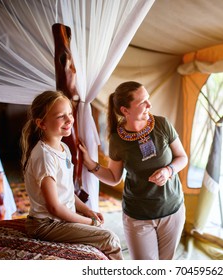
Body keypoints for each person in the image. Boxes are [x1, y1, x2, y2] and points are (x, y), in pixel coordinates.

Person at [79, 81, 188, 260]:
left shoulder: (162, 124)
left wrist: (168, 171)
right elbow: (114, 177)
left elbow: (182, 157)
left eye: (148, 99)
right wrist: (91, 164)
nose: (149, 105)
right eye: (142, 102)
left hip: (172, 210)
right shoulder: (117, 140)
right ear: (125, 110)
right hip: (138, 216)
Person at [20, 90, 123, 260]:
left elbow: (67, 192)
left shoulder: (64, 149)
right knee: (109, 238)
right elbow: (54, 207)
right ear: (42, 123)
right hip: (46, 225)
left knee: (101, 230)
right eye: (61, 116)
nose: (69, 120)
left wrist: (89, 212)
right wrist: (90, 223)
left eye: (70, 113)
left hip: (58, 220)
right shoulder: (44, 157)